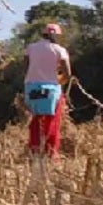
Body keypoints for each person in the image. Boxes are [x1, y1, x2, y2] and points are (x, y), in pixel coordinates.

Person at [23, 24, 71, 158]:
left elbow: (26, 66)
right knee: (52, 120)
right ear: (56, 35)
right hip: (51, 88)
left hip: (31, 87)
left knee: (36, 119)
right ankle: (51, 152)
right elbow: (67, 73)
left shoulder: (31, 48)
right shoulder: (59, 50)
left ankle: (35, 149)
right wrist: (62, 81)